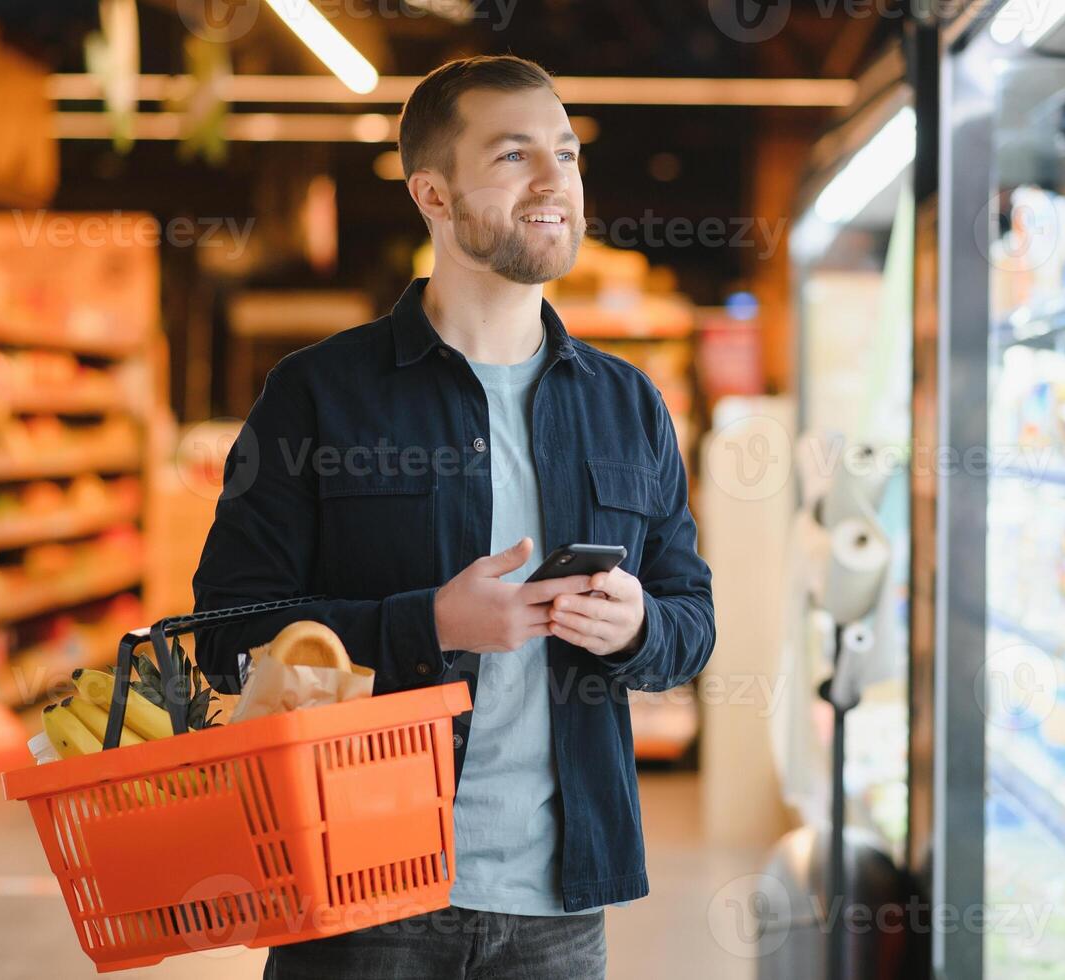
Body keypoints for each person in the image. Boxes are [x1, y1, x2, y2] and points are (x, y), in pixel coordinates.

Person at [191, 54, 716, 980]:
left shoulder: (628, 405)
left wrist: (638, 627)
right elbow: (225, 634)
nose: (557, 182)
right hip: (358, 892)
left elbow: (691, 624)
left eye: (566, 153)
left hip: (560, 906)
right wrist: (424, 626)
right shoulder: (318, 396)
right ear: (431, 192)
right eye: (514, 156)